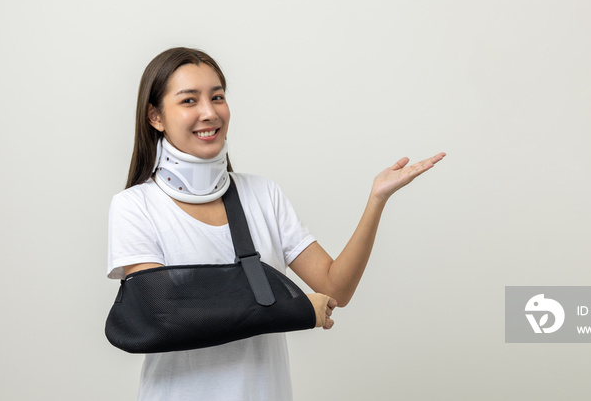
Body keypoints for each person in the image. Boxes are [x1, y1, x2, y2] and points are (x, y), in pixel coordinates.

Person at [107, 46, 445, 401]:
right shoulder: (135, 206)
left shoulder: (263, 194)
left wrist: (376, 200)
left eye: (217, 97)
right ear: (155, 117)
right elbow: (167, 318)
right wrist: (294, 309)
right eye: (189, 101)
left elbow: (336, 289)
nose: (209, 112)